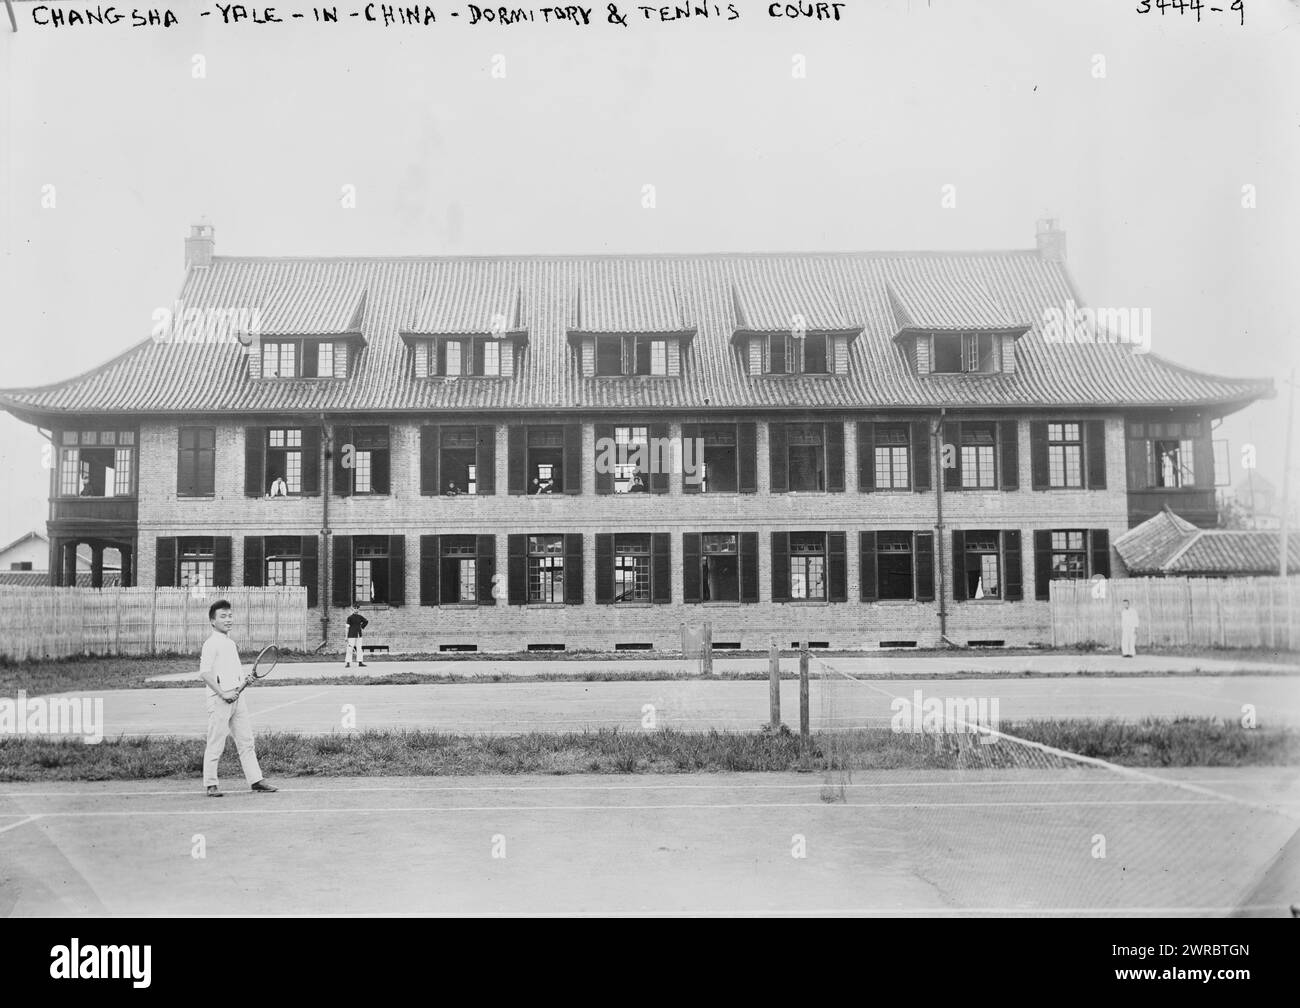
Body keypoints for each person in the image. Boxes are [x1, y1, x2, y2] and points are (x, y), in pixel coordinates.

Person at [199, 599, 277, 797]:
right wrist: (223, 693)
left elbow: (231, 672)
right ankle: (210, 784)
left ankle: (256, 780)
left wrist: (245, 680)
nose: (228, 619)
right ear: (212, 621)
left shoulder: (230, 643)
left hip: (237, 698)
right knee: (216, 741)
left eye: (230, 615)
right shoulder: (211, 644)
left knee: (246, 741)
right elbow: (205, 673)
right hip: (220, 700)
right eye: (222, 616)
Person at [345, 603, 368, 668]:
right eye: (355, 608)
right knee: (350, 649)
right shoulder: (349, 618)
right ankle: (348, 663)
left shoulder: (360, 617)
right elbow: (347, 627)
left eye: (357, 608)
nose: (356, 609)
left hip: (359, 635)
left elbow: (366, 621)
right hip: (351, 635)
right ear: (352, 609)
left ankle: (360, 662)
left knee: (359, 649)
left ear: (359, 609)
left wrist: (361, 626)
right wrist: (346, 637)